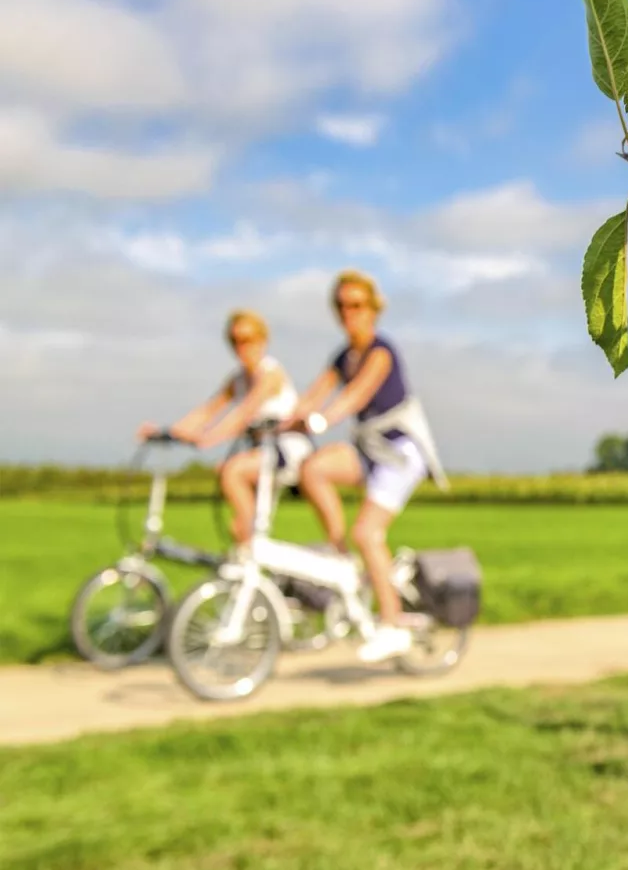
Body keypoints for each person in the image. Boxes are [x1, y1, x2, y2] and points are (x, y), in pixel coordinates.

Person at [285, 270, 448, 663]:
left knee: (369, 531)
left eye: (356, 305)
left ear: (373, 308)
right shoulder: (343, 357)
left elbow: (356, 397)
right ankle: (343, 560)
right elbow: (312, 396)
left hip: (399, 452)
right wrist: (281, 423)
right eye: (341, 305)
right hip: (368, 450)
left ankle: (392, 624)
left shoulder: (380, 352)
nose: (348, 313)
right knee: (312, 469)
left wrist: (323, 419)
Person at [137, 309, 311, 545]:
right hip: (261, 453)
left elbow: (244, 411)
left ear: (262, 340)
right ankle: (248, 555)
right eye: (235, 341)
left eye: (247, 340)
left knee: (232, 471)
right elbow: (207, 411)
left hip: (287, 450)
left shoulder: (270, 374)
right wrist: (166, 432)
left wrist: (208, 438)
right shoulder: (238, 379)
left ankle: (250, 545)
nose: (241, 347)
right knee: (237, 526)